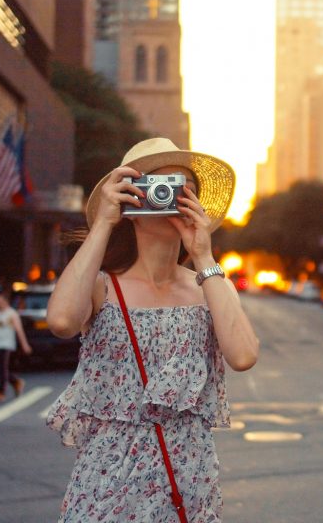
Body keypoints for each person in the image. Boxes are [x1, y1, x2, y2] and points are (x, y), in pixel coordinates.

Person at [45, 137, 259, 522]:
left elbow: (243, 356)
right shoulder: (101, 285)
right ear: (131, 198)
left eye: (181, 189)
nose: (169, 196)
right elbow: (61, 321)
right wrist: (105, 223)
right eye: (156, 187)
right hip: (106, 484)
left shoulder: (210, 285)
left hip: (187, 481)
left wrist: (203, 254)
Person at [0, 291, 33, 402]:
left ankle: (1, 392)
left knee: (2, 368)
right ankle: (16, 382)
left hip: (6, 344)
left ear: (6, 301)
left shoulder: (12, 313)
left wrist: (25, 344)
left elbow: (19, 330)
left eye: (1, 300)